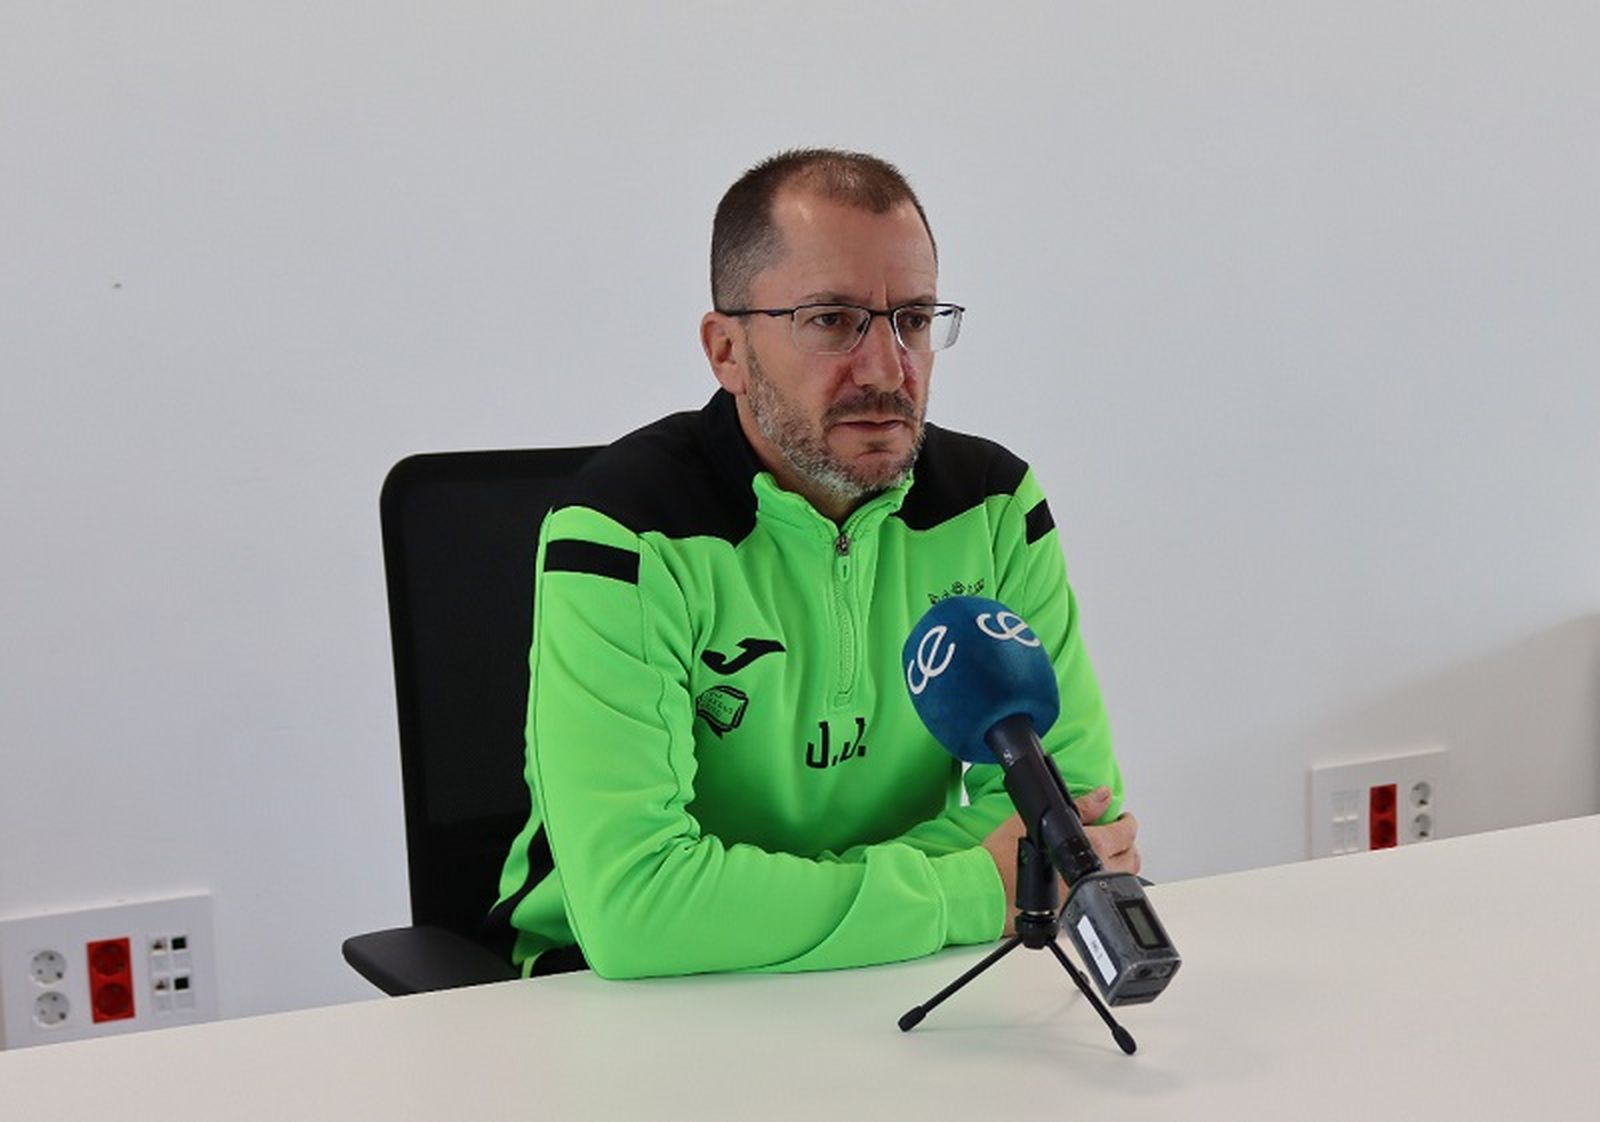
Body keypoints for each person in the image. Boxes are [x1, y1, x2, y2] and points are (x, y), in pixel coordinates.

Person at [489, 149, 1139, 979]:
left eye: (913, 319)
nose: (888, 369)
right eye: (832, 319)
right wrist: (975, 885)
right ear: (726, 350)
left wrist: (759, 900)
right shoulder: (625, 532)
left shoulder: (995, 507)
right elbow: (636, 910)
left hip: (897, 975)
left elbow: (1080, 824)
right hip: (623, 1004)